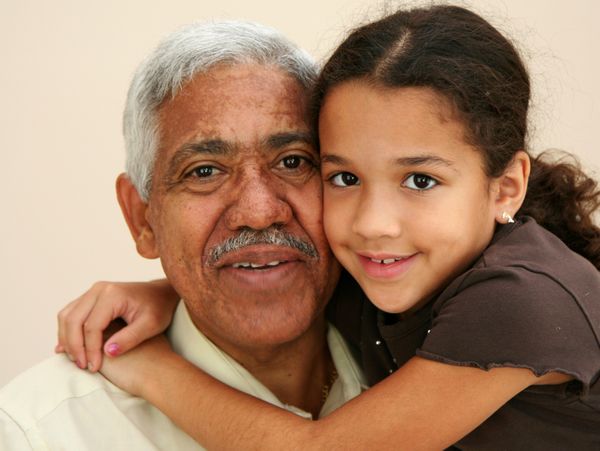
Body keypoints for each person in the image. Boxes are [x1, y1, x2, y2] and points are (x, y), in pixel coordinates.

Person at [56, 4, 600, 450]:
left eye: (420, 180)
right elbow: (264, 268)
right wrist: (168, 294)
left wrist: (149, 367)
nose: (373, 223)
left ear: (505, 188)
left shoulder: (525, 299)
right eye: (343, 176)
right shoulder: (381, 276)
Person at [0, 21, 367, 450]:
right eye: (204, 171)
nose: (260, 211)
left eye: (292, 161)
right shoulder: (39, 433)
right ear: (143, 219)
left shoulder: (420, 356)